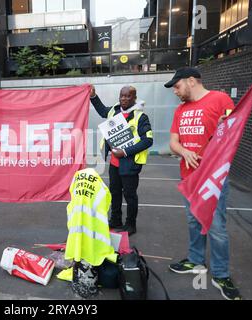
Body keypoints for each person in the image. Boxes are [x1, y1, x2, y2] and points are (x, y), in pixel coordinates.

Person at [165, 67, 241, 300]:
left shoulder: (220, 99)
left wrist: (225, 123)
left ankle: (221, 274)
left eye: (177, 86)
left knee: (216, 226)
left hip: (213, 177)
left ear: (191, 81)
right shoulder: (180, 110)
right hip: (189, 177)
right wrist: (184, 151)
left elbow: (232, 130)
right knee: (193, 220)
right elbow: (173, 143)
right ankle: (196, 260)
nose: (175, 92)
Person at [90, 85, 153, 235]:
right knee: (114, 193)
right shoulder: (114, 110)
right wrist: (93, 96)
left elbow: (148, 141)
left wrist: (124, 152)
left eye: (128, 96)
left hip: (130, 164)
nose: (124, 99)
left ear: (134, 98)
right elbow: (102, 110)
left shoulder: (140, 117)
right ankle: (115, 220)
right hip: (114, 163)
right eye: (122, 96)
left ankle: (131, 224)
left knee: (130, 195)